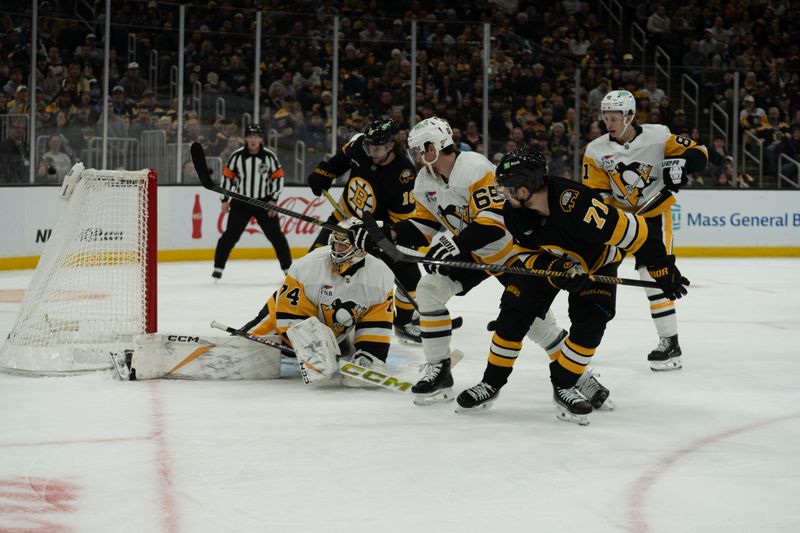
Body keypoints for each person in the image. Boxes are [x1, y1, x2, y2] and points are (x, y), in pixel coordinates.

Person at [456, 147, 689, 425]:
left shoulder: (578, 205)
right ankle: (491, 382)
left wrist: (661, 267)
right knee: (513, 315)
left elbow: (638, 232)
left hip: (597, 265)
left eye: (507, 188)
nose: (502, 194)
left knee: (590, 325)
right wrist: (556, 269)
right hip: (550, 262)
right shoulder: (514, 212)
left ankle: (564, 385)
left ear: (525, 188)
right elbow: (524, 253)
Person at [352, 117, 566, 405]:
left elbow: (495, 221)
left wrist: (454, 244)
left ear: (434, 147)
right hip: (474, 251)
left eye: (419, 149)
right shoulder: (425, 180)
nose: (416, 156)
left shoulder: (474, 167)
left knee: (537, 324)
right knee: (429, 289)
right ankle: (439, 370)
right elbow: (424, 226)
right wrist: (387, 232)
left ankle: (578, 377)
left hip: (513, 251)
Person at [582, 90, 707, 371]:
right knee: (598, 273)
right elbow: (596, 193)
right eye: (605, 117)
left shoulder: (658, 136)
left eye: (614, 117)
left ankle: (670, 342)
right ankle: (584, 341)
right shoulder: (596, 150)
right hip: (617, 219)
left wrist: (683, 164)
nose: (608, 123)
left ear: (629, 115)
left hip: (653, 216)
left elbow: (699, 151)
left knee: (654, 273)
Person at [307, 116, 422, 344]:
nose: (371, 152)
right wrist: (323, 174)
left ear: (391, 145)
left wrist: (379, 238)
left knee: (410, 276)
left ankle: (403, 322)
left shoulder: (404, 174)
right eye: (369, 146)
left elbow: (400, 222)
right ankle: (304, 318)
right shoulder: (360, 145)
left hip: (373, 232)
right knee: (312, 266)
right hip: (342, 220)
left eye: (377, 148)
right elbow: (339, 161)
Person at [243, 218, 395, 386]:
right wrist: (316, 348)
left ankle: (352, 350)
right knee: (241, 351)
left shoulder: (381, 276)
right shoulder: (307, 266)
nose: (337, 249)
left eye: (343, 245)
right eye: (335, 243)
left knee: (357, 351)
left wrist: (370, 354)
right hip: (278, 323)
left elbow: (377, 323)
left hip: (333, 332)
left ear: (360, 248)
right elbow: (289, 317)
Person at [213, 123, 292, 279]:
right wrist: (224, 199)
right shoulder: (236, 156)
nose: (253, 140)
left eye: (256, 136)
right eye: (250, 136)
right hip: (240, 202)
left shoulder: (269, 156)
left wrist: (273, 200)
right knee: (230, 236)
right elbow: (227, 177)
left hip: (264, 203)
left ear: (261, 139)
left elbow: (278, 178)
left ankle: (288, 269)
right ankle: (218, 267)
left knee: (276, 236)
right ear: (246, 138)